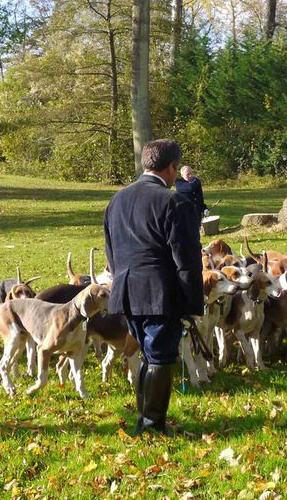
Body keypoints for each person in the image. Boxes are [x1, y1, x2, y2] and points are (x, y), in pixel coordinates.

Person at [103, 139, 203, 436]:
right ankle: (152, 427)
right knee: (159, 357)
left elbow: (111, 252)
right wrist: (192, 304)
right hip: (161, 292)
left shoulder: (116, 200)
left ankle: (145, 421)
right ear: (172, 168)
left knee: (149, 356)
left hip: (126, 290)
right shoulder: (174, 202)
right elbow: (186, 260)